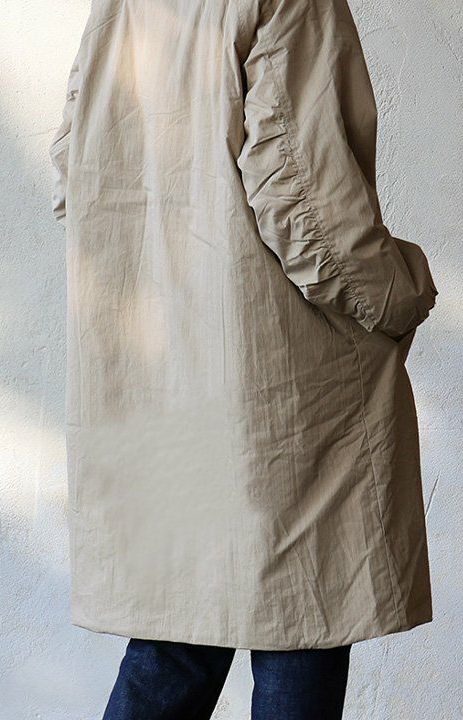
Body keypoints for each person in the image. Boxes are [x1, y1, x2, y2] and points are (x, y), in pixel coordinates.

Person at [48, 0, 438, 717]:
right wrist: (399, 293)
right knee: (305, 611)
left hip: (164, 370)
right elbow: (304, 195)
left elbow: (77, 162)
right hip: (281, 376)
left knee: (179, 632)